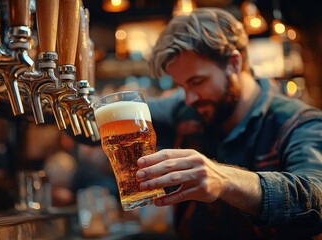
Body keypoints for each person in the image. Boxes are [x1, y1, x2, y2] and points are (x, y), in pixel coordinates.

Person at [133, 7, 322, 239]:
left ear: (233, 63)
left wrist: (225, 180)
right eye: (182, 86)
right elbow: (116, 121)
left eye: (197, 81)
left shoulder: (298, 122)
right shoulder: (184, 109)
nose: (189, 97)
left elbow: (316, 197)